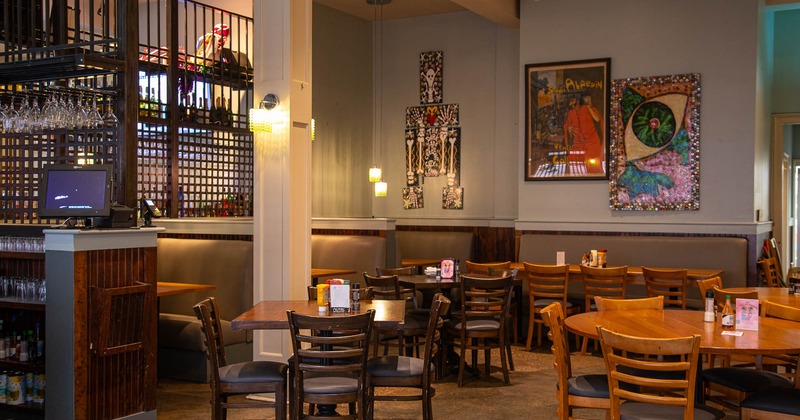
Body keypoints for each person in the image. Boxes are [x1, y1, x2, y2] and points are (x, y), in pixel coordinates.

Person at [575, 94, 604, 173]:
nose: (589, 101)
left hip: (594, 140)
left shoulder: (592, 109)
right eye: (588, 99)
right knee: (591, 164)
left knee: (595, 164)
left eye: (590, 99)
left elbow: (597, 119)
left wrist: (589, 107)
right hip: (588, 141)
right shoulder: (583, 110)